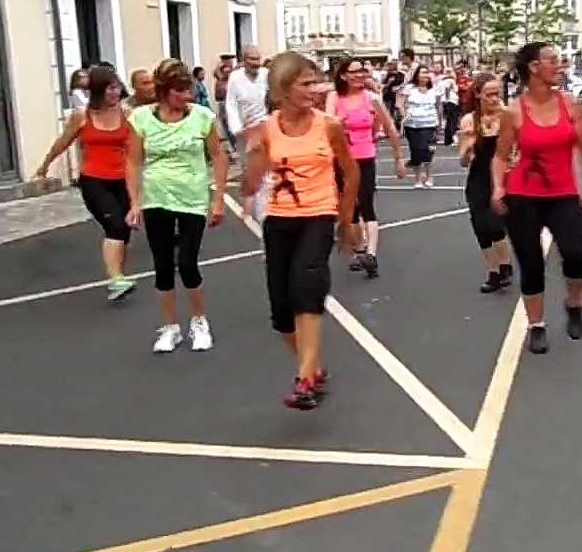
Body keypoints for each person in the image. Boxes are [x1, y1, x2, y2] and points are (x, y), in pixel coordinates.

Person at [241, 52, 362, 410]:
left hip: (318, 214)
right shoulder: (265, 129)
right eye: (306, 84)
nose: (315, 90)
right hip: (280, 218)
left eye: (316, 82)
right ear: (283, 89)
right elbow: (249, 186)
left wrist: (346, 219)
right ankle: (314, 368)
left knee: (307, 287)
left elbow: (350, 172)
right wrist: (253, 161)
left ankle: (305, 378)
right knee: (282, 313)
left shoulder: (329, 126)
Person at [491, 42, 582, 355]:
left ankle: (574, 304)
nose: (559, 65)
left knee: (577, 256)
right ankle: (536, 324)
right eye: (552, 60)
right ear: (534, 67)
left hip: (563, 194)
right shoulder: (514, 111)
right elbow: (501, 156)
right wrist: (498, 186)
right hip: (523, 196)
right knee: (531, 263)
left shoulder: (570, 104)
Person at [125, 59, 228, 353]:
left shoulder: (202, 117)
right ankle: (170, 327)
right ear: (165, 91)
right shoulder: (141, 118)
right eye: (180, 90)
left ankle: (199, 321)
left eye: (189, 89)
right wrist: (135, 202)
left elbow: (218, 157)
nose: (188, 96)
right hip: (156, 197)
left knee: (187, 263)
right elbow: (133, 161)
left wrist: (218, 199)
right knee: (163, 265)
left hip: (192, 197)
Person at [35, 66, 137, 301]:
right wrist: (44, 166)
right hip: (94, 179)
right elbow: (63, 141)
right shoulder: (82, 115)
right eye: (109, 89)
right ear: (98, 90)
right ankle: (116, 280)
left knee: (124, 230)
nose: (115, 93)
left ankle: (119, 276)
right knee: (115, 226)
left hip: (122, 178)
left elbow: (137, 148)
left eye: (117, 88)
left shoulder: (128, 114)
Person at [325, 57, 405, 279]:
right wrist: (336, 125)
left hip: (365, 157)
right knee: (350, 208)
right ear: (344, 75)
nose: (361, 75)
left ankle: (371, 253)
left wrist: (398, 159)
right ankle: (359, 250)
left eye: (363, 71)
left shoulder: (371, 98)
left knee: (366, 203)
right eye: (355, 71)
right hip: (342, 159)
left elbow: (390, 129)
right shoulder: (334, 97)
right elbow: (327, 124)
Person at [458, 73, 514, 293]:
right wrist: (468, 144)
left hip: (501, 176)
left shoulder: (507, 116)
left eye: (497, 93)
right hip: (478, 177)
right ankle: (494, 271)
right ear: (478, 95)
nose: (494, 99)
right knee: (480, 226)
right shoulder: (470, 120)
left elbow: (517, 148)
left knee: (495, 223)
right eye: (489, 94)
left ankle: (505, 265)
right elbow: (463, 161)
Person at [398, 65, 442, 189]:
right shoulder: (409, 89)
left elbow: (439, 107)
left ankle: (429, 176)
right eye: (423, 72)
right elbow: (400, 102)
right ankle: (418, 179)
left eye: (427, 72)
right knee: (415, 151)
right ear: (417, 75)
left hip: (429, 124)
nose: (425, 75)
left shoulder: (434, 89)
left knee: (427, 151)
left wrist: (439, 124)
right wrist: (403, 114)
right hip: (412, 124)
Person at [224, 45, 269, 147]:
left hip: (264, 125)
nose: (256, 63)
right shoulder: (235, 77)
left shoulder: (265, 74)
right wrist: (237, 130)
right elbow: (231, 104)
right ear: (244, 60)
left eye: (257, 59)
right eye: (252, 59)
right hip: (244, 129)